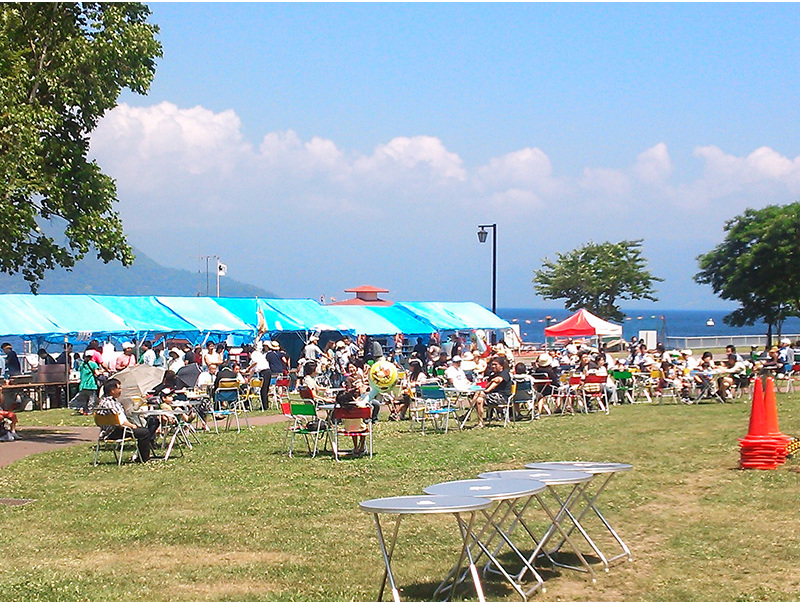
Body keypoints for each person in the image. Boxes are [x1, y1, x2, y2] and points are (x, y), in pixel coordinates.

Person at [96, 378, 154, 462]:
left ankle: (142, 457)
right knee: (144, 432)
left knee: (145, 427)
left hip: (107, 431)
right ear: (112, 390)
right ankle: (143, 458)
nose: (121, 390)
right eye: (119, 388)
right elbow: (120, 420)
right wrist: (132, 425)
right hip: (114, 431)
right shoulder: (110, 403)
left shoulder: (103, 402)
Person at [473, 356, 512, 428]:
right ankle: (480, 422)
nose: (493, 366)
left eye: (495, 364)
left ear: (501, 366)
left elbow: (497, 381)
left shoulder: (504, 373)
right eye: (492, 364)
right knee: (479, 399)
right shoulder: (492, 374)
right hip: (492, 396)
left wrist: (487, 389)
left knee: (480, 394)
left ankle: (468, 412)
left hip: (502, 397)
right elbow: (485, 385)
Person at [69, 350, 103, 414]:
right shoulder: (93, 364)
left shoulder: (81, 364)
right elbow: (97, 373)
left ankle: (82, 409)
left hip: (83, 384)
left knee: (83, 399)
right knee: (91, 399)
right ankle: (90, 411)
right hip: (91, 384)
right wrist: (102, 371)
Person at [246, 342, 271, 410]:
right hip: (267, 371)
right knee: (264, 389)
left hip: (264, 371)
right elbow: (253, 370)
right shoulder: (259, 354)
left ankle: (265, 406)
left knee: (264, 389)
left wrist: (248, 368)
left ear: (249, 353)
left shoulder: (254, 354)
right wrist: (249, 378)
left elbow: (255, 363)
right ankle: (265, 405)